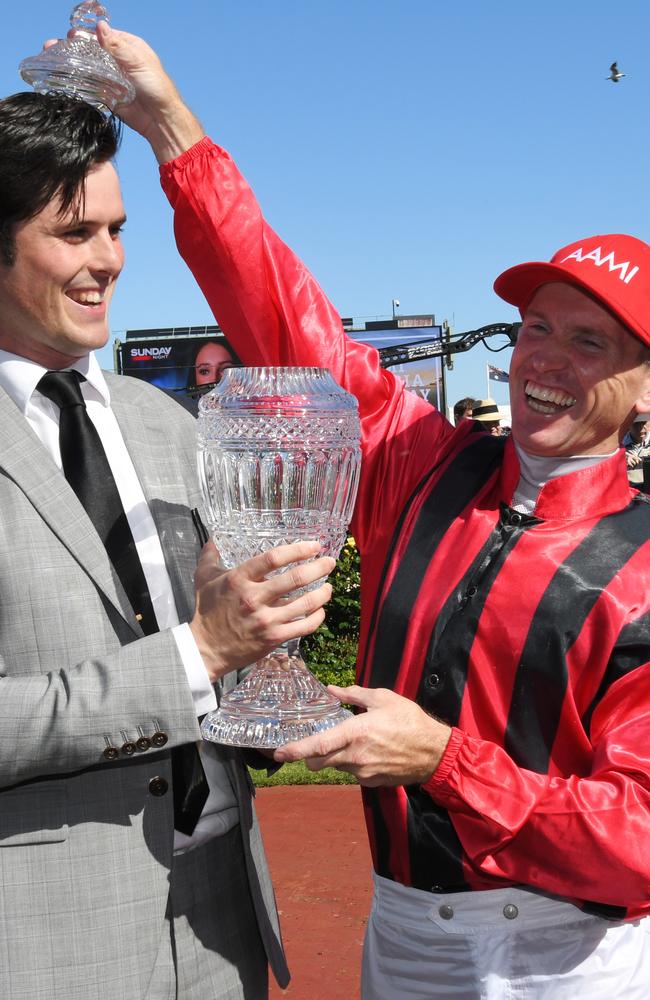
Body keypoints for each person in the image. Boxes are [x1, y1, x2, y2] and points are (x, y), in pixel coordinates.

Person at [100, 26, 650, 999]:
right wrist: (171, 129)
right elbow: (284, 313)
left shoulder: (641, 568)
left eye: (589, 341)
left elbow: (635, 838)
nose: (543, 359)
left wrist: (442, 759)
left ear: (642, 389)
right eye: (532, 330)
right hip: (396, 929)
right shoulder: (422, 462)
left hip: (567, 957)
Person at [0, 42, 340, 1000]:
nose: (108, 260)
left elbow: (222, 649)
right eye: (74, 232)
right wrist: (202, 653)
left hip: (222, 921)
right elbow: (194, 653)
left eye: (116, 229)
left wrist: (274, 690)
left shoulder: (172, 425)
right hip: (45, 944)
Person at [623, 412, 650, 491]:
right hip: (629, 496)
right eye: (636, 424)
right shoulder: (618, 446)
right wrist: (621, 460)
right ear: (628, 425)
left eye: (644, 423)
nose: (641, 428)